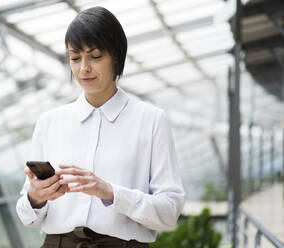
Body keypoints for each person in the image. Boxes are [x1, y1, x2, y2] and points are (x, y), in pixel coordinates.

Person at [16, 6, 185, 248]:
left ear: (116, 55)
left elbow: (169, 211)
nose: (83, 68)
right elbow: (26, 215)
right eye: (75, 58)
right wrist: (36, 197)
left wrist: (110, 192)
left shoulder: (151, 120)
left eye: (94, 56)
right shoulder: (49, 122)